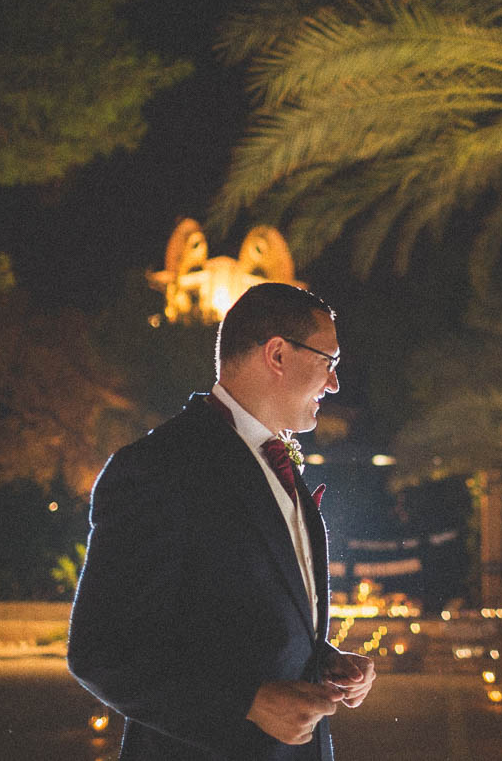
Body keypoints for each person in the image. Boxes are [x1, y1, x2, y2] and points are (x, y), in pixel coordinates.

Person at [68, 283, 375, 760]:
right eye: (327, 362)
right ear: (277, 354)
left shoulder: (278, 462)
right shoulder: (160, 466)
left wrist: (322, 661)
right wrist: (246, 703)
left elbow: (238, 621)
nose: (334, 384)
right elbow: (102, 652)